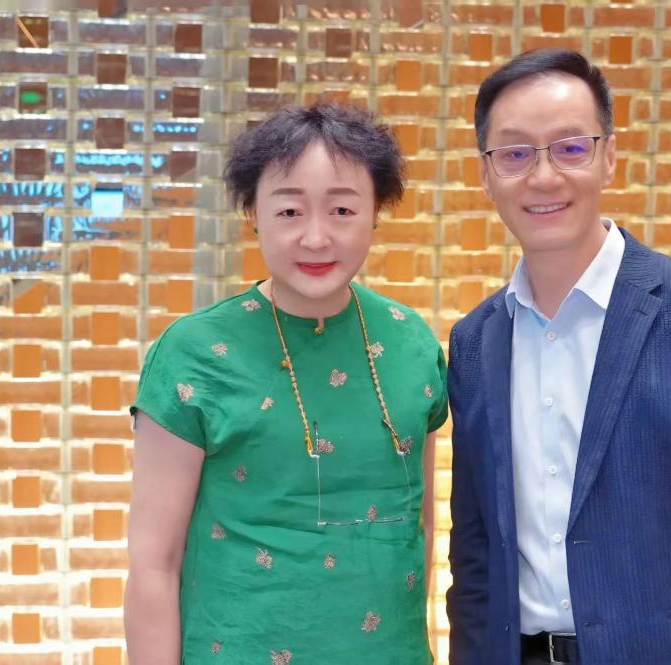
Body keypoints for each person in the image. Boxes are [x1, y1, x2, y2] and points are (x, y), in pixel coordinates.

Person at [446, 49, 671, 665]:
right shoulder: (475, 340)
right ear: (486, 174)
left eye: (571, 148)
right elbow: (473, 555)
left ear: (609, 157)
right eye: (515, 154)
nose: (543, 177)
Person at [124, 104, 448, 664]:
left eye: (342, 209)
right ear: (254, 213)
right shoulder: (194, 354)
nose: (316, 238)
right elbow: (155, 563)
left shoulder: (410, 342)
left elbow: (419, 527)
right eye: (291, 210)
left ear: (376, 212)